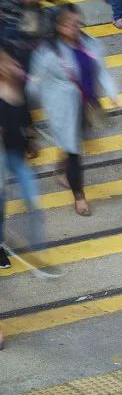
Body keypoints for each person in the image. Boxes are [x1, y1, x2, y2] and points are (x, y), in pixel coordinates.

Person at [28, 4, 119, 217]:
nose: (75, 27)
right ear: (58, 26)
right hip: (63, 109)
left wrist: (112, 92)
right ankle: (79, 196)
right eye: (69, 24)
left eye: (77, 22)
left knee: (75, 142)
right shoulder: (47, 52)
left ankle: (61, 167)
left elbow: (101, 71)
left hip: (88, 104)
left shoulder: (90, 44)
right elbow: (34, 84)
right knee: (74, 151)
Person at [0, 49, 59, 278]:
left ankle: (38, 251)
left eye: (10, 60)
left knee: (33, 200)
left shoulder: (18, 86)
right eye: (4, 62)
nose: (10, 65)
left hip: (17, 154)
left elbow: (26, 117)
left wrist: (31, 138)